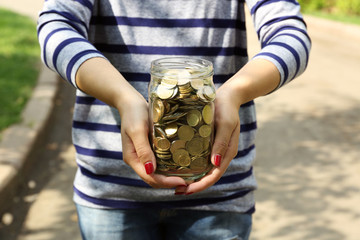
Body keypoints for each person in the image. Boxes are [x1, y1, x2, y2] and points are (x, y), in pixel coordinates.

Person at [37, 0, 311, 239]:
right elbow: (56, 25)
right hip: (111, 189)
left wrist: (233, 93)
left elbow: (290, 34)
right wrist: (123, 97)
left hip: (218, 191)